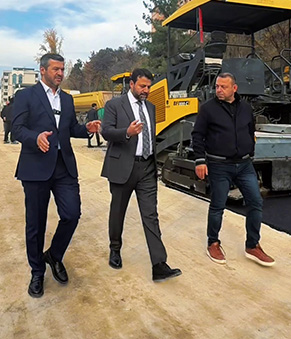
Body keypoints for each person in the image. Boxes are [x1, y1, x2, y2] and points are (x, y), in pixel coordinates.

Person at [11, 53, 102, 298]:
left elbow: (70, 128)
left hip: (63, 167)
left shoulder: (67, 99)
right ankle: (37, 271)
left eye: (62, 69)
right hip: (36, 167)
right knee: (36, 224)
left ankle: (54, 255)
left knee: (72, 214)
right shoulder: (26, 96)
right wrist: (35, 138)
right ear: (42, 71)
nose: (60, 73)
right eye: (55, 69)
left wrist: (87, 130)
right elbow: (17, 129)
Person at [100, 68, 180, 282]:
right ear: (132, 84)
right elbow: (106, 131)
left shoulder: (151, 107)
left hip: (146, 168)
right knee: (118, 211)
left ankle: (159, 264)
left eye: (148, 86)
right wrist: (127, 132)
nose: (146, 90)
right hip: (122, 167)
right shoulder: (114, 105)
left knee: (150, 215)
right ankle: (115, 249)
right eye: (142, 86)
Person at [192, 72, 274, 267]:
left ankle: (252, 245)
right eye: (217, 86)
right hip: (219, 165)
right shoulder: (207, 109)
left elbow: (250, 130)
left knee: (255, 203)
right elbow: (197, 135)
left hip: (244, 165)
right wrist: (200, 161)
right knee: (218, 206)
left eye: (223, 87)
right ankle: (213, 242)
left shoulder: (246, 108)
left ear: (234, 89)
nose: (219, 90)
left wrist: (250, 151)